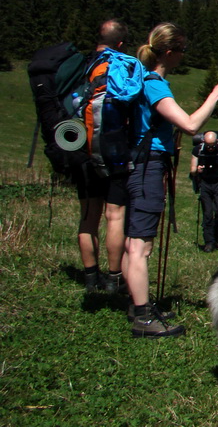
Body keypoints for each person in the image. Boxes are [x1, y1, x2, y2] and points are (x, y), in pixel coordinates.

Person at [125, 22, 218, 338]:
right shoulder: (154, 83)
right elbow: (189, 124)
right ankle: (143, 319)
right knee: (141, 246)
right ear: (169, 52)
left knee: (136, 240)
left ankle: (138, 305)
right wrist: (214, 95)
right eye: (182, 51)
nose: (184, 57)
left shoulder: (141, 79)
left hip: (138, 162)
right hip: (148, 165)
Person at [74, 19, 130, 294]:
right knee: (114, 216)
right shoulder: (120, 64)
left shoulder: (80, 65)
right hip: (113, 151)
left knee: (88, 216)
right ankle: (114, 277)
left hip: (81, 149)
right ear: (119, 43)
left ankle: (89, 277)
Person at [190, 131, 218, 253]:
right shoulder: (197, 150)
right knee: (208, 214)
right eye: (208, 145)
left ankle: (217, 238)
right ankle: (209, 242)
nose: (210, 148)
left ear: (217, 142)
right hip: (205, 183)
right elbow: (192, 170)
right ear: (204, 142)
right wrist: (197, 170)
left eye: (212, 146)